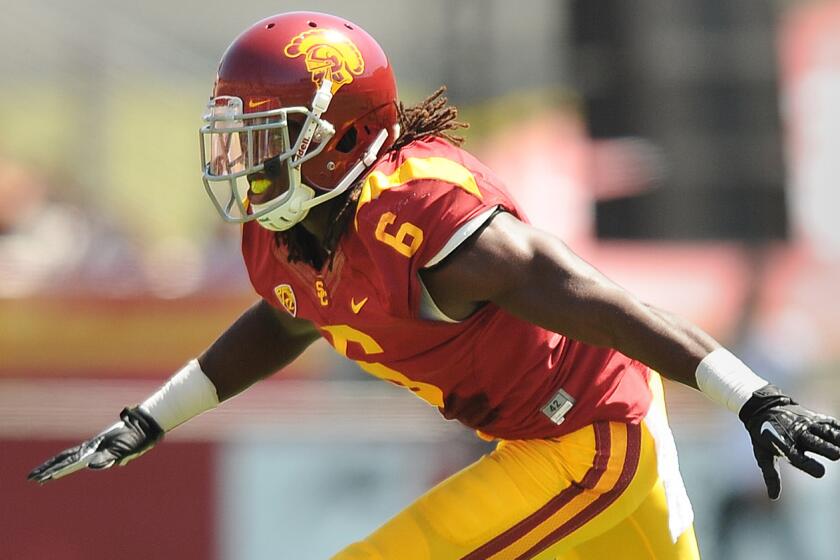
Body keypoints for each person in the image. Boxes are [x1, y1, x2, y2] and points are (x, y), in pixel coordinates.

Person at [29, 12, 840, 560]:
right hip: (542, 436)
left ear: (340, 139)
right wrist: (149, 419)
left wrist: (752, 398)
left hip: (590, 437)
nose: (241, 165)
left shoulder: (423, 223)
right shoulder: (283, 239)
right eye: (234, 140)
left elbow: (598, 300)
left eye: (264, 140)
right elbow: (284, 321)